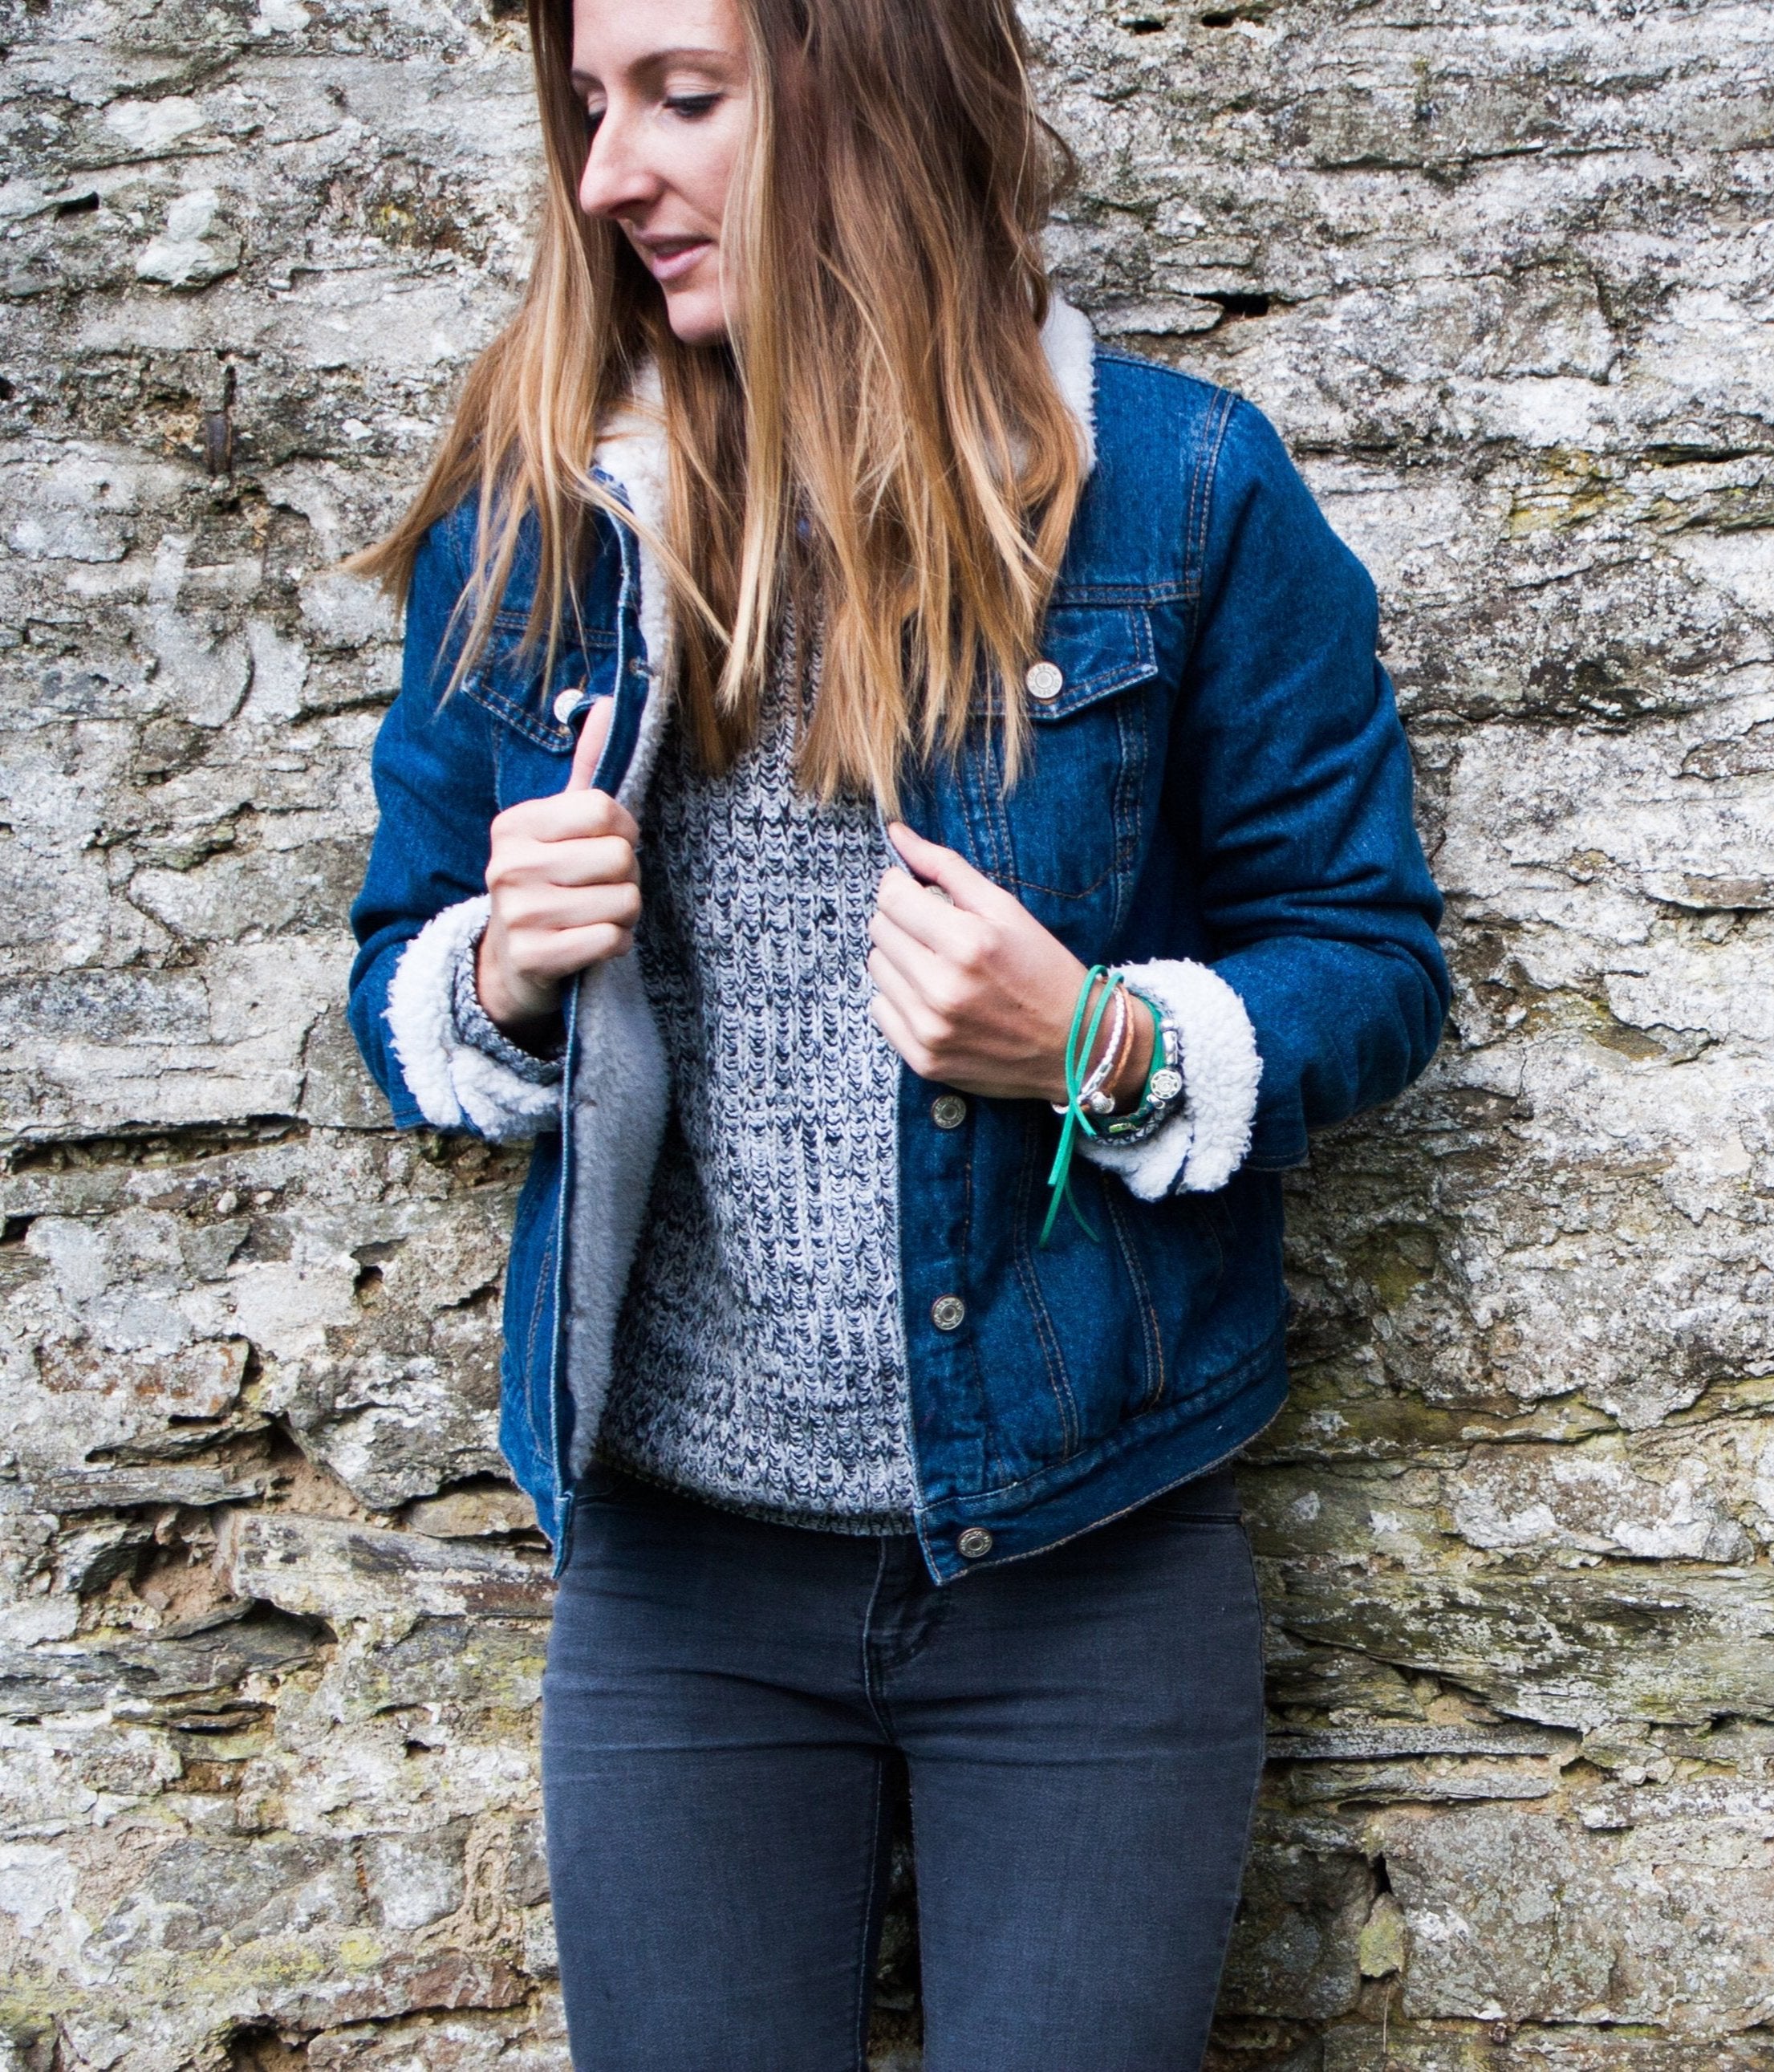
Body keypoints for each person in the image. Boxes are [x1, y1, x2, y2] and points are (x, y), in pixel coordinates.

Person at [344, 0, 1448, 2060]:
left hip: (1091, 1568)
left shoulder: (1181, 496)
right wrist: (492, 972)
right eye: (591, 109)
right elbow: (397, 978)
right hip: (681, 1594)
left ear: (872, 94)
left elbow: (1370, 958)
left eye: (682, 100)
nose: (608, 176)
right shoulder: (546, 522)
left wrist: (1106, 1042)